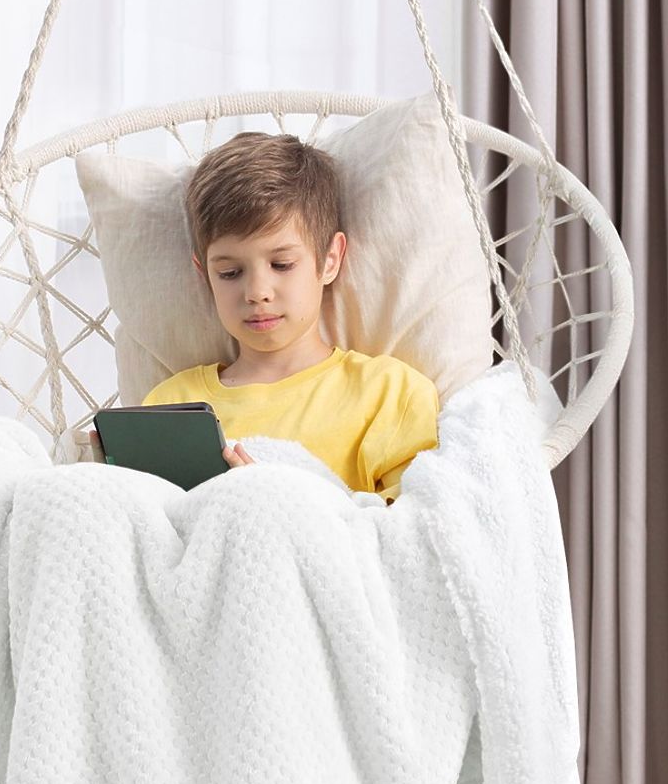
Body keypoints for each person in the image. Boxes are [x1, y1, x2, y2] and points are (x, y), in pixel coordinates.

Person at [134, 131, 439, 504]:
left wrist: (272, 501)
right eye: (230, 273)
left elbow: (409, 528)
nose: (257, 292)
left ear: (329, 260)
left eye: (281, 264)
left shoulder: (389, 395)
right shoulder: (171, 406)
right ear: (205, 274)